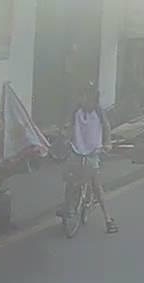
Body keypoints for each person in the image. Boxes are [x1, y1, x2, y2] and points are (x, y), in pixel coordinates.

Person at [60, 84, 117, 234]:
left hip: (93, 151)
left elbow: (107, 127)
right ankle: (68, 207)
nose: (82, 99)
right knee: (70, 179)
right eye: (81, 96)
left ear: (92, 99)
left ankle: (108, 219)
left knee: (96, 185)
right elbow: (68, 125)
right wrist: (65, 135)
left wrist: (108, 143)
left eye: (85, 96)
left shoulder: (99, 112)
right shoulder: (76, 111)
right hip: (76, 149)